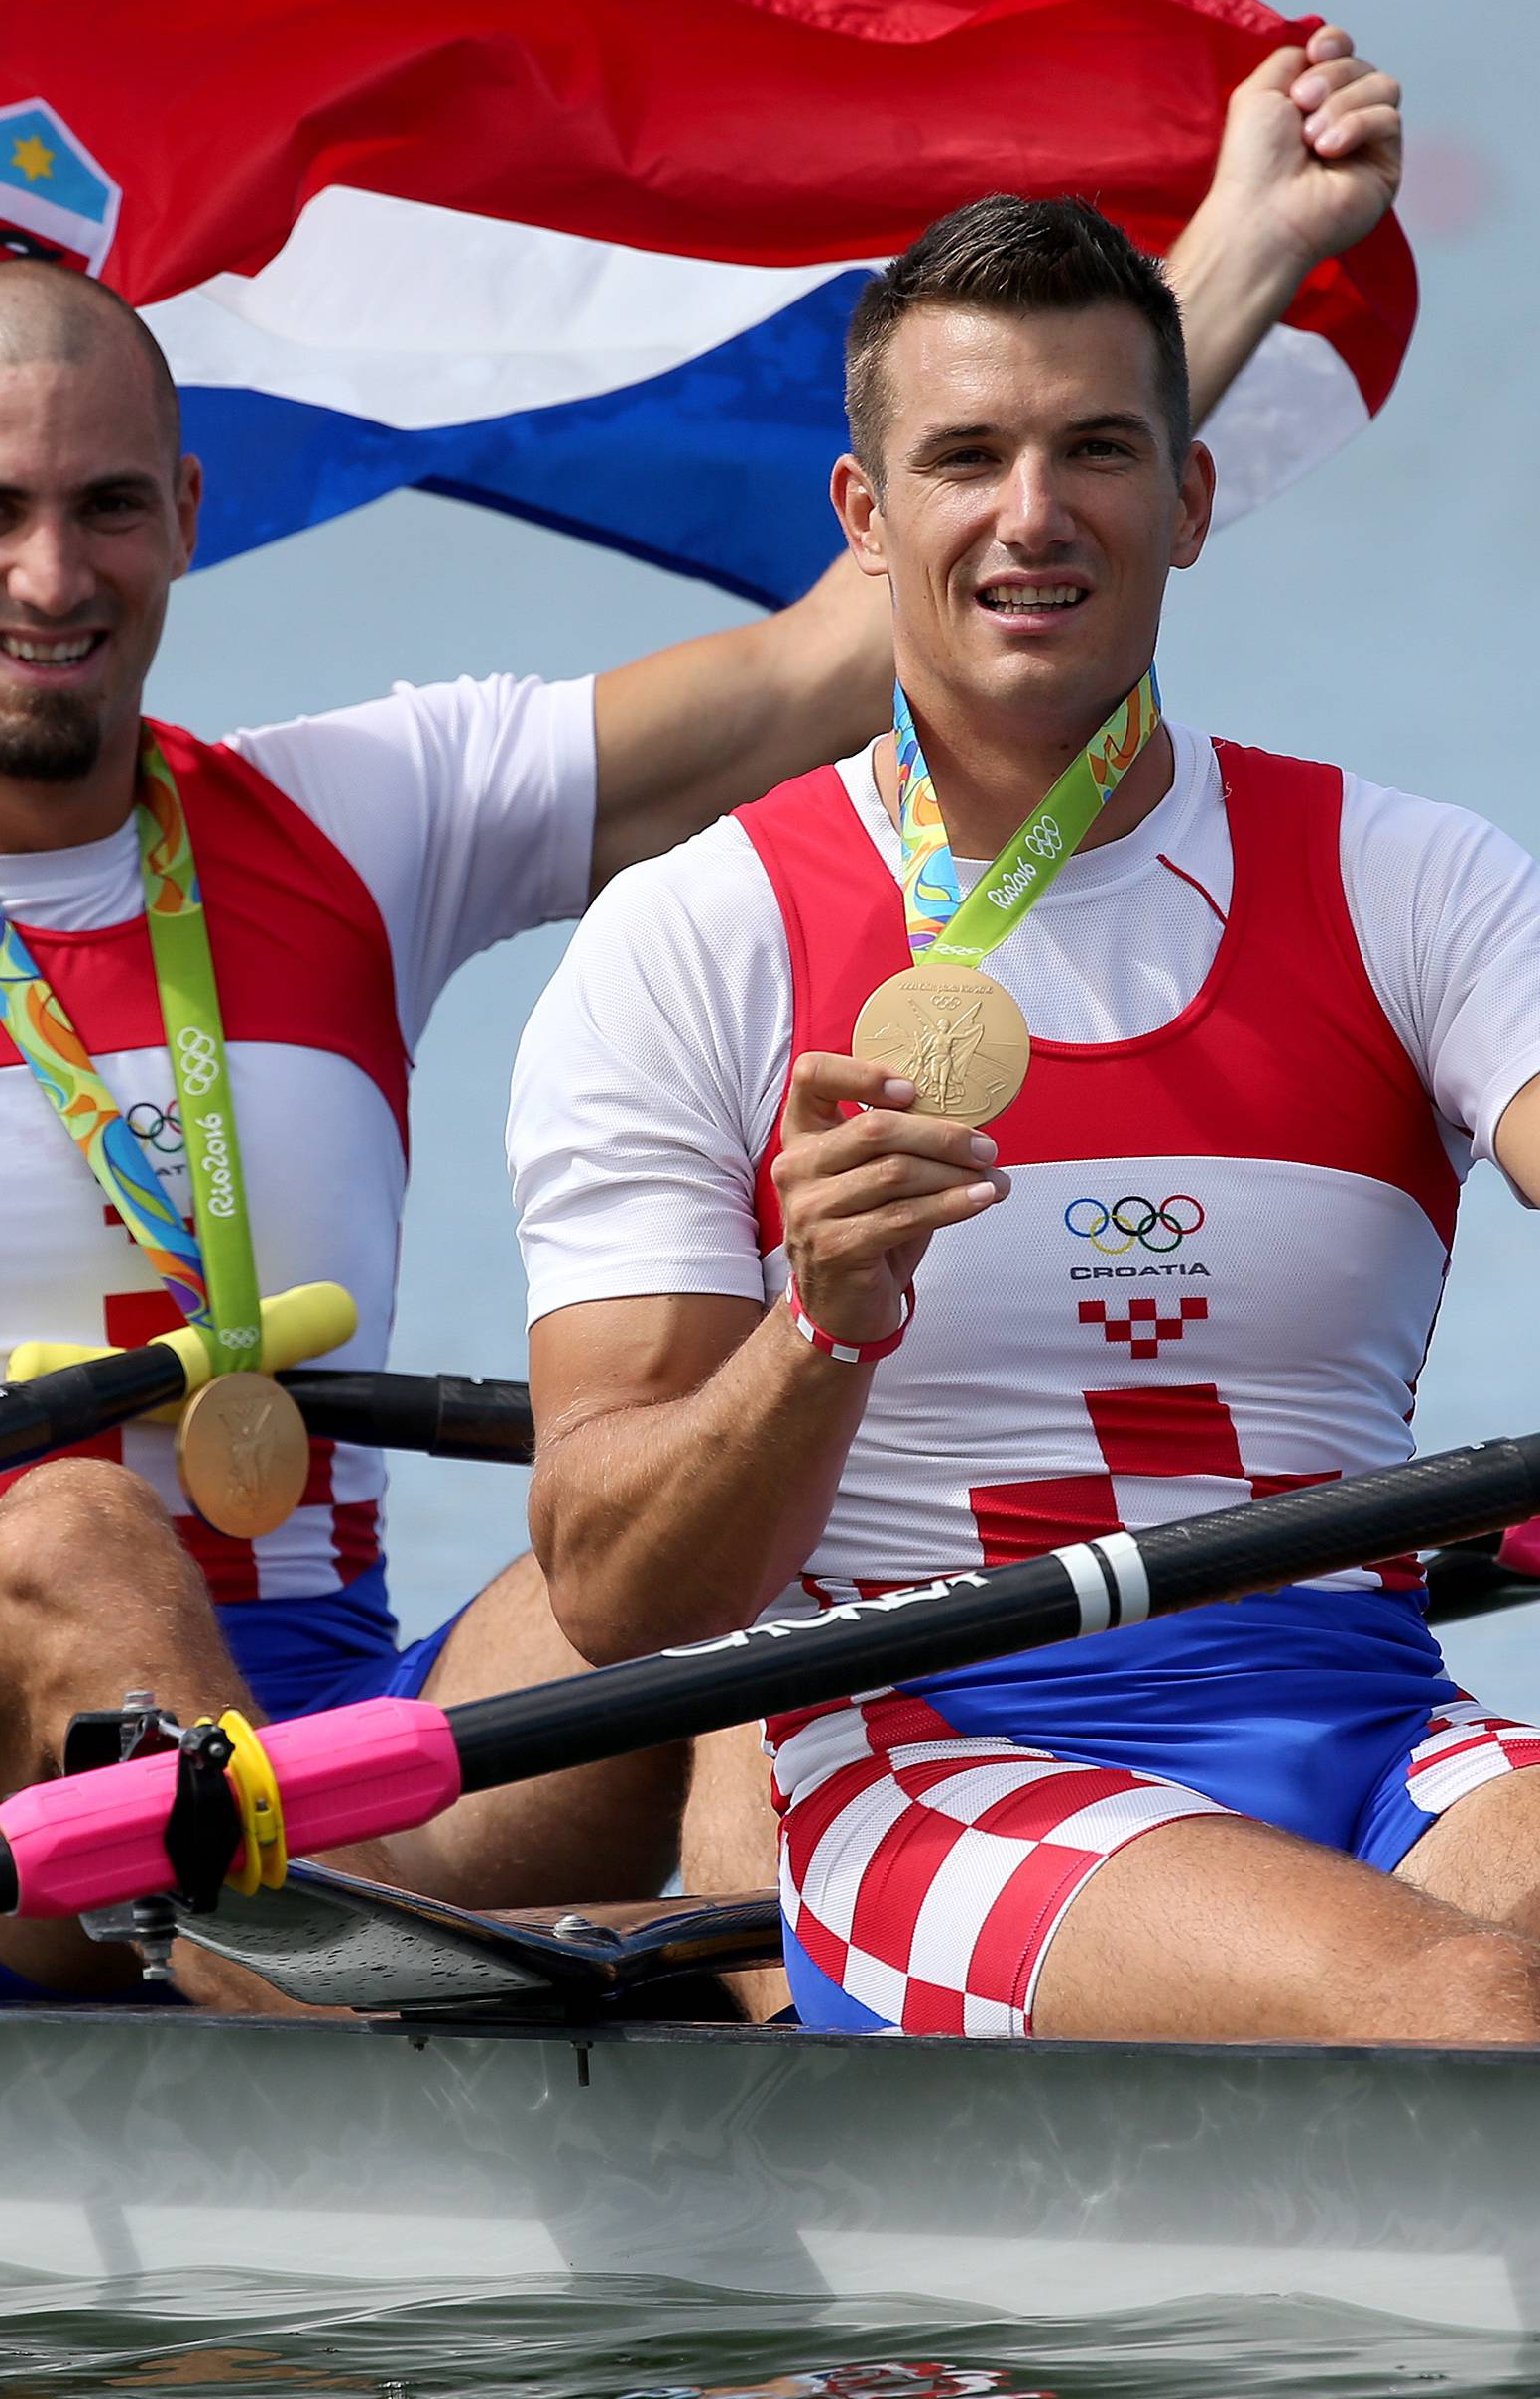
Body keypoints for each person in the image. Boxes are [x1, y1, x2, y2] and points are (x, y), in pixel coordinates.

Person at [0, 26, 1395, 2011]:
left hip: (347, 1784)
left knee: (746, 1549)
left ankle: (772, 2023)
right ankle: (373, 2020)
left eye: (109, 507)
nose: (53, 574)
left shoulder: (354, 819)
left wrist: (1252, 235)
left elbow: (848, 650)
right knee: (74, 1542)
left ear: (190, 514)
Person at [509, 158, 1540, 2048]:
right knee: (1488, 2012)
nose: (1033, 516)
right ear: (868, 518)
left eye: (1099, 452)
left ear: (1194, 496)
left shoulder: (1414, 878)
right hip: (937, 1746)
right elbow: (609, 1592)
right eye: (966, 457)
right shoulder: (691, 940)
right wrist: (820, 1326)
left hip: (1382, 1714)